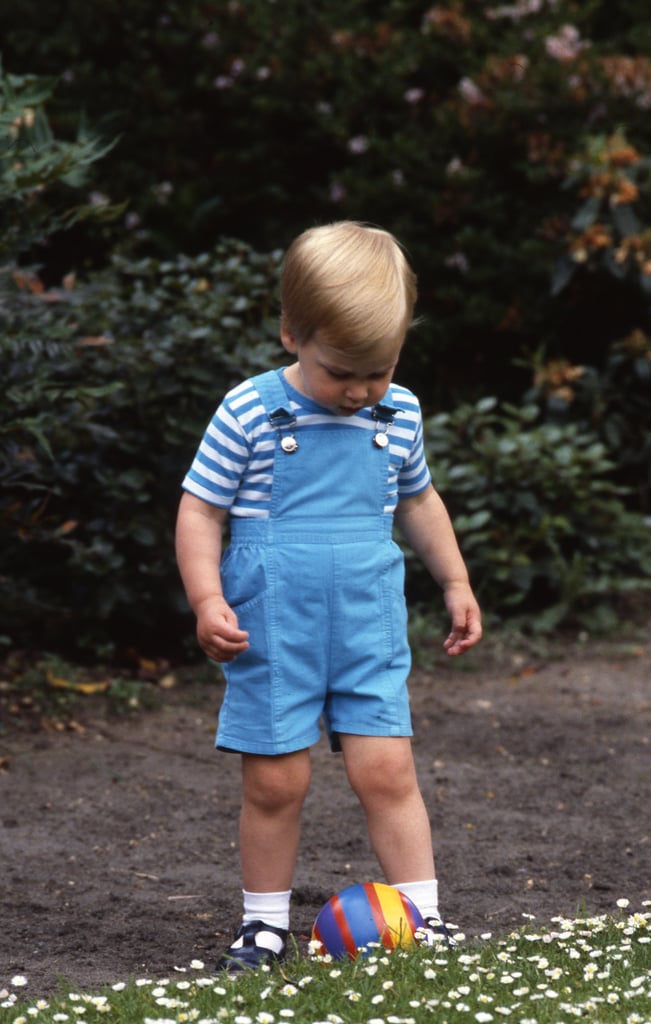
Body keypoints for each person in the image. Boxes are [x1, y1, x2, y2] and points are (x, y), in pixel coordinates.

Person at [175, 221, 482, 972]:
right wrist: (206, 598)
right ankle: (264, 927)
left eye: (378, 369)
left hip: (365, 625)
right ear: (291, 334)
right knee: (277, 780)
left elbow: (418, 501)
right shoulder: (249, 412)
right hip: (271, 628)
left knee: (387, 770)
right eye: (341, 370)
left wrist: (454, 580)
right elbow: (199, 509)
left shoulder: (396, 412)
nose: (359, 390)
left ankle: (424, 915)